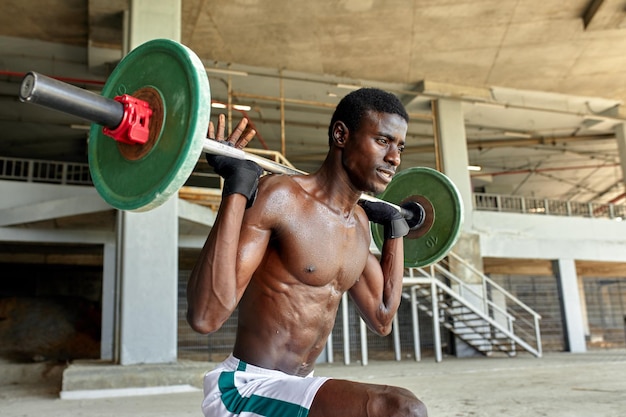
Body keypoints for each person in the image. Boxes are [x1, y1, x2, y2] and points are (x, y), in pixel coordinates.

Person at [187, 88, 427, 417]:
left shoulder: (357, 224)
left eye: (400, 146)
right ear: (341, 135)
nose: (395, 158)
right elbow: (205, 316)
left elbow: (382, 317)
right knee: (401, 409)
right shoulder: (282, 198)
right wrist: (237, 190)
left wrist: (395, 231)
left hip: (298, 389)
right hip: (247, 389)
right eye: (383, 141)